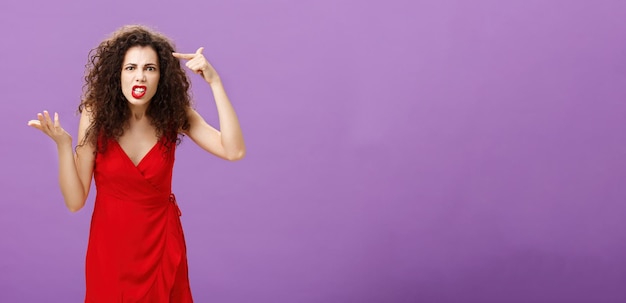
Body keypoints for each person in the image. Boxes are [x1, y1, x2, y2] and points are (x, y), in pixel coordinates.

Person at [27, 25, 245, 302]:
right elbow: (75, 201)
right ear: (116, 73)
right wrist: (62, 146)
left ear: (161, 76)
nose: (139, 76)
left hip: (161, 243)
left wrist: (215, 83)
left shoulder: (175, 115)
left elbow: (234, 150)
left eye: (150, 68)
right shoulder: (96, 115)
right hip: (110, 249)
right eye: (130, 67)